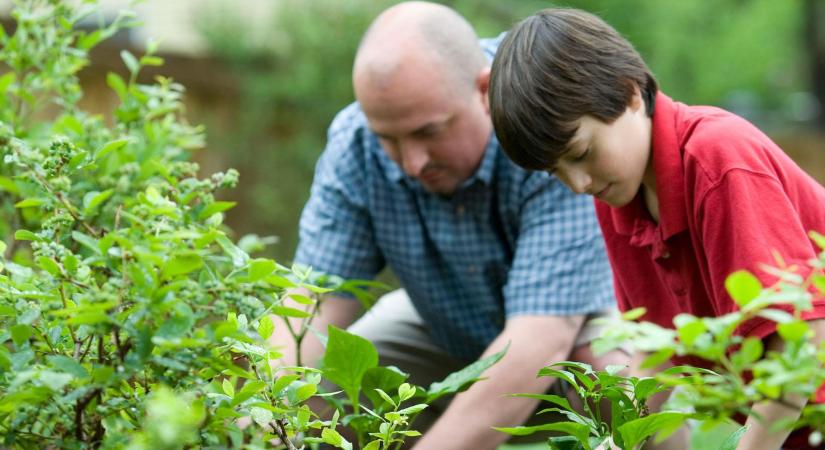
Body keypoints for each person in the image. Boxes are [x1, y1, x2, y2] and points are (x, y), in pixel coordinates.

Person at [273, 2, 625, 449]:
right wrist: (259, 418)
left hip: (576, 321)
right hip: (445, 326)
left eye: (428, 132)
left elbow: (540, 341)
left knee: (614, 381)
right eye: (389, 139)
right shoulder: (355, 144)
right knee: (327, 388)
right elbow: (312, 304)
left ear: (483, 90)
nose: (411, 163)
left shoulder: (543, 115)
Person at [488, 8, 825, 450]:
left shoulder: (716, 160)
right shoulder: (618, 199)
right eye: (555, 172)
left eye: (582, 152)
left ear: (629, 94)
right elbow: (654, 356)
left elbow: (805, 339)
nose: (579, 183)